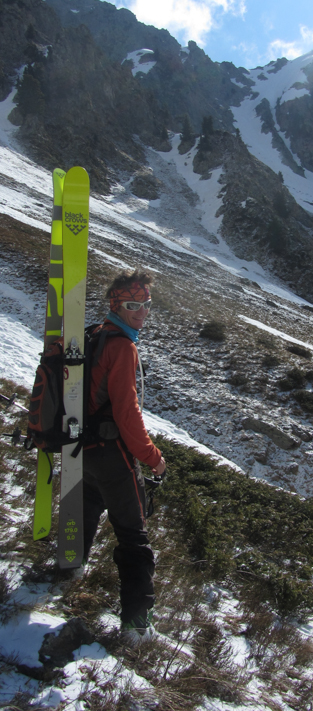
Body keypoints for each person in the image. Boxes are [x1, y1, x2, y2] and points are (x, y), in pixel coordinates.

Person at [82, 269, 166, 645]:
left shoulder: (94, 335)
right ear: (117, 304)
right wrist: (152, 456)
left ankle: (70, 570)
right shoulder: (123, 346)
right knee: (134, 537)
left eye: (147, 304)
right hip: (111, 452)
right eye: (134, 305)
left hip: (79, 447)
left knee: (86, 504)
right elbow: (126, 411)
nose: (142, 312)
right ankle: (136, 627)